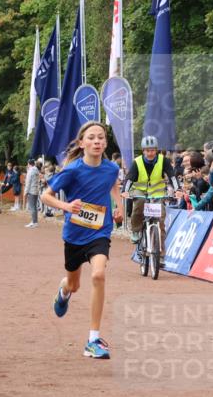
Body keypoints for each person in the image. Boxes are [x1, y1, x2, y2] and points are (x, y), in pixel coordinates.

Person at [42, 121, 122, 360]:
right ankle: (64, 290)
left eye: (101, 137)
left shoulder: (111, 169)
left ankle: (93, 340)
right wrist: (66, 206)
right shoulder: (72, 170)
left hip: (100, 232)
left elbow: (113, 185)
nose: (97, 141)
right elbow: (46, 196)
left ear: (105, 143)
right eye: (91, 138)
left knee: (98, 275)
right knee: (74, 284)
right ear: (82, 143)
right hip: (74, 236)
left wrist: (119, 206)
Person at [124, 135, 178, 246]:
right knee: (139, 204)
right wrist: (125, 191)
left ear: (156, 150)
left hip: (157, 192)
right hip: (140, 191)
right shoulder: (137, 162)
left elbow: (172, 176)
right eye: (147, 150)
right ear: (143, 150)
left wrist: (178, 189)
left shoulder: (163, 161)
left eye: (153, 150)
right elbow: (129, 179)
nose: (150, 153)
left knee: (161, 215)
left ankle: (160, 244)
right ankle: (136, 230)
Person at [24, 158, 42, 228]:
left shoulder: (30, 171)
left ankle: (34, 222)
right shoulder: (36, 170)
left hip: (31, 190)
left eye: (27, 164)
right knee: (34, 207)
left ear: (29, 164)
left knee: (32, 207)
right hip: (36, 190)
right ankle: (34, 221)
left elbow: (28, 182)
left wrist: (25, 192)